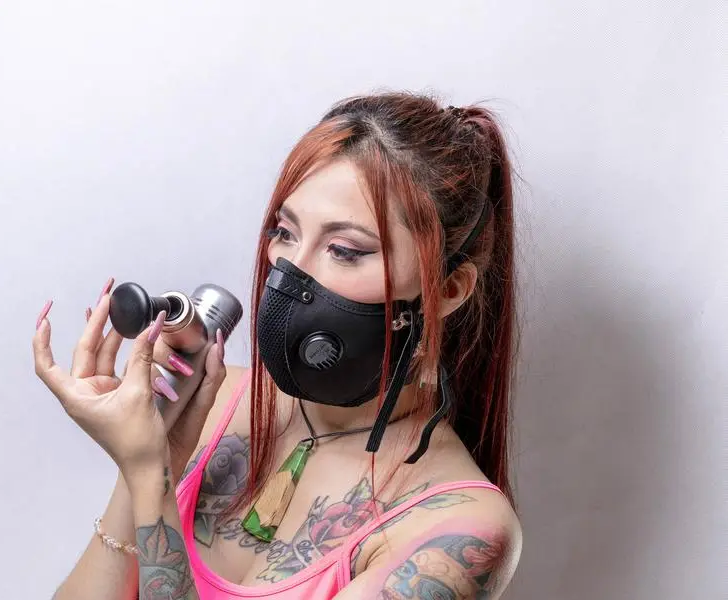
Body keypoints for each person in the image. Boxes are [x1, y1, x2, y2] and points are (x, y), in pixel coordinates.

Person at [33, 91, 522, 599]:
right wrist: (152, 446)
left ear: (448, 289)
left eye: (344, 250)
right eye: (284, 232)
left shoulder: (460, 535)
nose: (290, 271)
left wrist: (147, 473)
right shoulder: (212, 400)